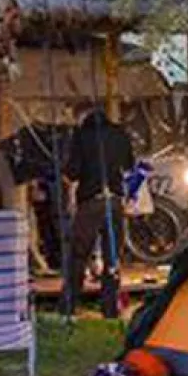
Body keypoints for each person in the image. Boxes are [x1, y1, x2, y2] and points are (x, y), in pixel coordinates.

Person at [62, 108, 135, 319]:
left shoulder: (81, 136)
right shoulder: (120, 134)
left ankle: (69, 305)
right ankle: (110, 307)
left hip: (91, 200)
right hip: (114, 201)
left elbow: (72, 172)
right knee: (112, 256)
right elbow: (129, 165)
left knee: (78, 254)